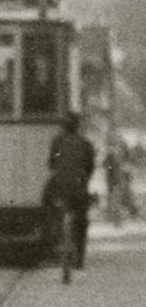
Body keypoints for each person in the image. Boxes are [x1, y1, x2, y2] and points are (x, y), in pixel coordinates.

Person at [43, 111, 96, 269]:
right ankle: (79, 258)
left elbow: (51, 164)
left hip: (59, 186)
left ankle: (50, 247)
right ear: (78, 126)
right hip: (79, 187)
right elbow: (90, 168)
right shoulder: (86, 144)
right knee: (82, 220)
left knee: (47, 206)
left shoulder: (57, 142)